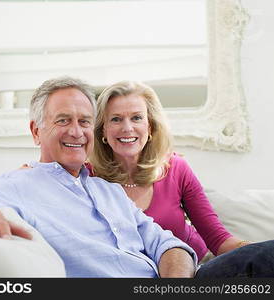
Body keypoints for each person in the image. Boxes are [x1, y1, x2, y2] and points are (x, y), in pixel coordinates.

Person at [0, 76, 197, 278]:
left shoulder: (109, 190)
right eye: (63, 120)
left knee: (241, 261)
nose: (76, 132)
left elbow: (170, 245)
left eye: (84, 122)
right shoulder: (19, 184)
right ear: (36, 131)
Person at [87, 80, 274, 277]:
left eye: (136, 118)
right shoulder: (87, 177)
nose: (127, 128)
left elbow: (219, 240)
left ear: (150, 127)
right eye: (116, 119)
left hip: (194, 272)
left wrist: (259, 252)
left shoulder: (175, 168)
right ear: (103, 130)